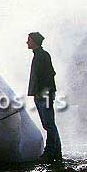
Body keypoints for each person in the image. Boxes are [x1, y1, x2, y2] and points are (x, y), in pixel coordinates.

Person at [27, 32, 62, 162]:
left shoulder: (42, 55)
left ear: (34, 41)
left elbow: (50, 75)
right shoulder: (39, 55)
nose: (27, 42)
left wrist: (41, 93)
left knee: (49, 124)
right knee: (49, 124)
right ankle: (56, 153)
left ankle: (50, 152)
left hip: (44, 95)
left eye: (29, 40)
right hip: (41, 94)